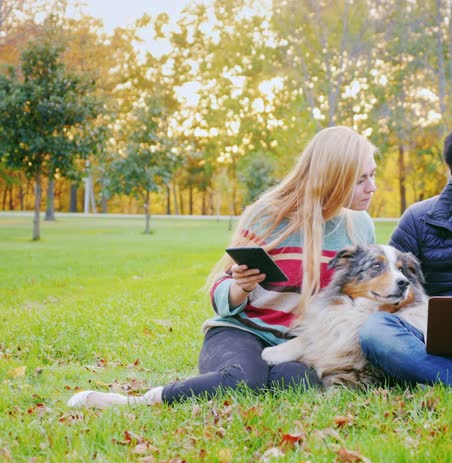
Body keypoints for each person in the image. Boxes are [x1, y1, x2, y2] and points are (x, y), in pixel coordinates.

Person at [68, 125, 378, 408]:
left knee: (295, 384)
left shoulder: (360, 227)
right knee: (242, 381)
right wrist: (239, 287)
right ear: (332, 179)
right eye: (361, 180)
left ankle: (248, 379)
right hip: (242, 332)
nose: (372, 187)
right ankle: (136, 402)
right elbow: (220, 288)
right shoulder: (268, 215)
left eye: (372, 175)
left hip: (297, 344)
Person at [359, 122, 452, 392]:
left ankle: (445, 378)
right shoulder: (418, 220)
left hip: (434, 361)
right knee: (375, 330)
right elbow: (388, 283)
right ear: (451, 177)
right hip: (433, 341)